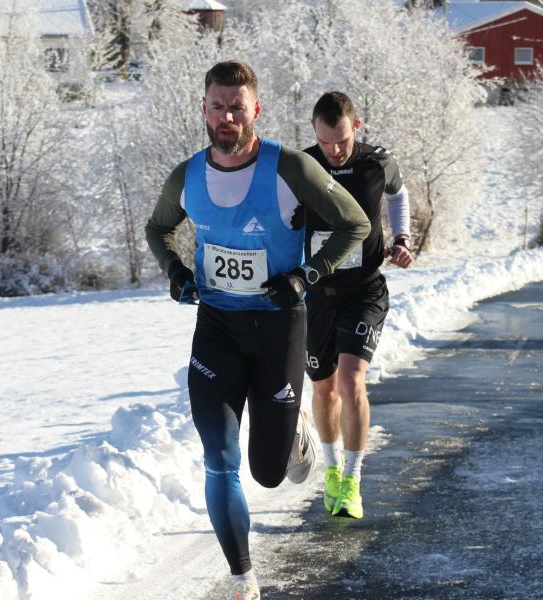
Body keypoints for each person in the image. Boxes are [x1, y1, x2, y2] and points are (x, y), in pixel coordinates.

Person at [144, 60, 370, 600]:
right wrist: (175, 270)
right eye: (218, 106)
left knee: (269, 474)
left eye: (237, 107)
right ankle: (243, 580)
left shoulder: (287, 168)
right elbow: (157, 228)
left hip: (279, 327)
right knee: (220, 460)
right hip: (217, 326)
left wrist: (305, 276)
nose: (227, 117)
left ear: (255, 111)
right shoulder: (187, 176)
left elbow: (355, 223)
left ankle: (292, 435)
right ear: (203, 108)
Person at [300, 91, 412, 520]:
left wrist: (401, 239)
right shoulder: (303, 167)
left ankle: (353, 479)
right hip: (317, 294)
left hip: (364, 288)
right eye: (326, 141)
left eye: (342, 140)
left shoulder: (377, 162)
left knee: (351, 381)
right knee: (324, 388)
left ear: (356, 127)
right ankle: (330, 471)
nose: (334, 150)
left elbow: (399, 195)